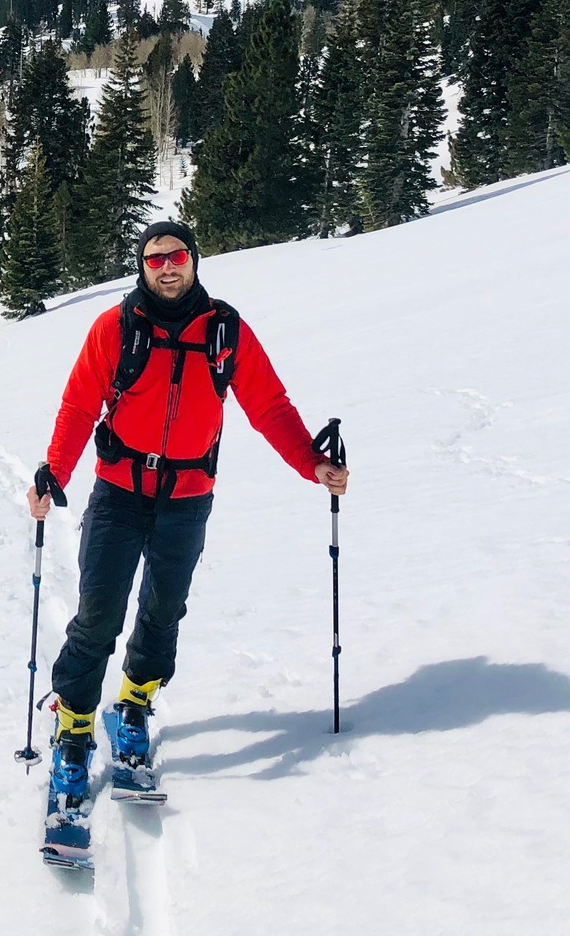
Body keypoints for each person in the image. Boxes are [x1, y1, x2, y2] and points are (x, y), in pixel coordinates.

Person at [26, 219, 347, 801]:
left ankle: (135, 703)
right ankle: (73, 727)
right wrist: (55, 471)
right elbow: (78, 405)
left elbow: (268, 405)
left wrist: (311, 464)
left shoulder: (225, 331)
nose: (166, 266)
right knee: (99, 611)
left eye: (176, 256)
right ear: (141, 268)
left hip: (187, 497)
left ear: (194, 261)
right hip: (120, 492)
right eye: (153, 259)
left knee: (163, 609)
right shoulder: (114, 329)